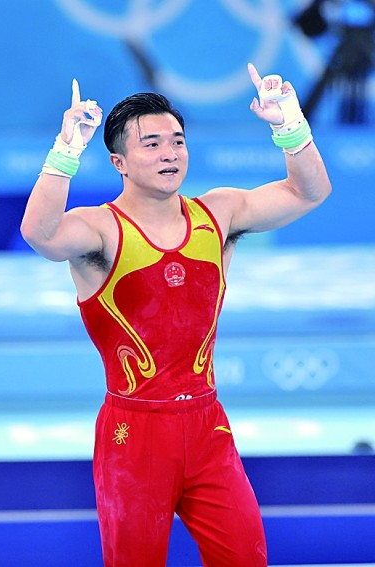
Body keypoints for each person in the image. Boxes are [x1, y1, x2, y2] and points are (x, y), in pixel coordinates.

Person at [20, 63, 331, 567]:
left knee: (247, 558)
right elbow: (41, 234)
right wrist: (65, 151)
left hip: (209, 429)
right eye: (152, 144)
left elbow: (308, 192)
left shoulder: (219, 214)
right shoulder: (100, 230)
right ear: (119, 162)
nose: (170, 153)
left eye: (177, 141)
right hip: (134, 437)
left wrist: (290, 127)